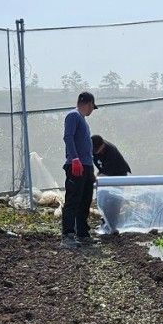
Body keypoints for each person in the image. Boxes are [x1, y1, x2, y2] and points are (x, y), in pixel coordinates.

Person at [62, 90, 97, 247]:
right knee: (73, 200)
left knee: (85, 200)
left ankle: (82, 232)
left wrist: (91, 170)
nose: (92, 110)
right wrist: (75, 158)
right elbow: (68, 137)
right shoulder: (73, 116)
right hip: (77, 165)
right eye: (92, 106)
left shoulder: (83, 120)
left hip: (86, 166)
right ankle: (68, 235)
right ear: (89, 103)